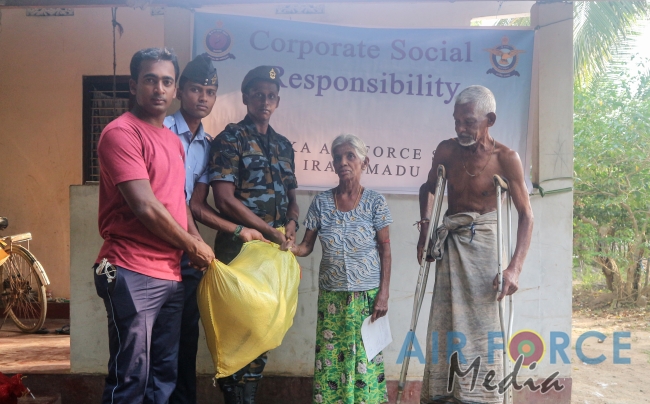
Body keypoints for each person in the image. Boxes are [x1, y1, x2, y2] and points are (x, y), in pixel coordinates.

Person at [93, 47, 215, 404]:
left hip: (171, 274)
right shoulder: (121, 133)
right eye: (150, 80)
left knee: (163, 376)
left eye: (166, 81)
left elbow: (178, 204)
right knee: (132, 376)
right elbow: (146, 206)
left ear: (175, 88)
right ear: (133, 85)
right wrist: (193, 246)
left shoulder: (172, 142)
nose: (159, 89)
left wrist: (195, 242)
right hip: (131, 269)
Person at [416, 85, 534, 403]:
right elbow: (428, 188)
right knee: (445, 324)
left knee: (484, 330)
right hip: (451, 247)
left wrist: (514, 269)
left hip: (486, 251)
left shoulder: (506, 158)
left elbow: (526, 215)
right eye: (457, 121)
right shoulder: (446, 151)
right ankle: (445, 394)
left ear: (489, 120)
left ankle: (484, 396)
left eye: (468, 121)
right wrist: (425, 229)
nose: (460, 128)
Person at [190, 65, 298, 404]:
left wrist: (292, 223)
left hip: (273, 255)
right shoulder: (231, 138)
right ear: (246, 98)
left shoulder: (284, 145)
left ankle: (248, 398)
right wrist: (267, 231)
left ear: (277, 101)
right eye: (258, 95)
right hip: (239, 250)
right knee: (237, 329)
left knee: (263, 328)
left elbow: (292, 198)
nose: (265, 102)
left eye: (271, 96)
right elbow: (223, 199)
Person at [165, 53, 266, 404]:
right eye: (196, 89)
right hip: (158, 252)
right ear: (180, 91)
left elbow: (195, 205)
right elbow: (170, 201)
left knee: (186, 342)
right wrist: (197, 240)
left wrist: (238, 231)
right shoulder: (163, 132)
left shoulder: (207, 145)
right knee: (156, 345)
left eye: (210, 92)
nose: (203, 98)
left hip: (187, 258)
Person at [283, 134, 392, 404]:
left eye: (350, 156)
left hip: (367, 299)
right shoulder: (321, 202)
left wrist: (384, 295)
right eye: (338, 157)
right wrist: (289, 247)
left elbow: (385, 250)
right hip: (332, 300)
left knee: (365, 360)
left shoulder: (375, 202)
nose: (343, 162)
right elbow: (306, 246)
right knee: (331, 362)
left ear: (364, 162)